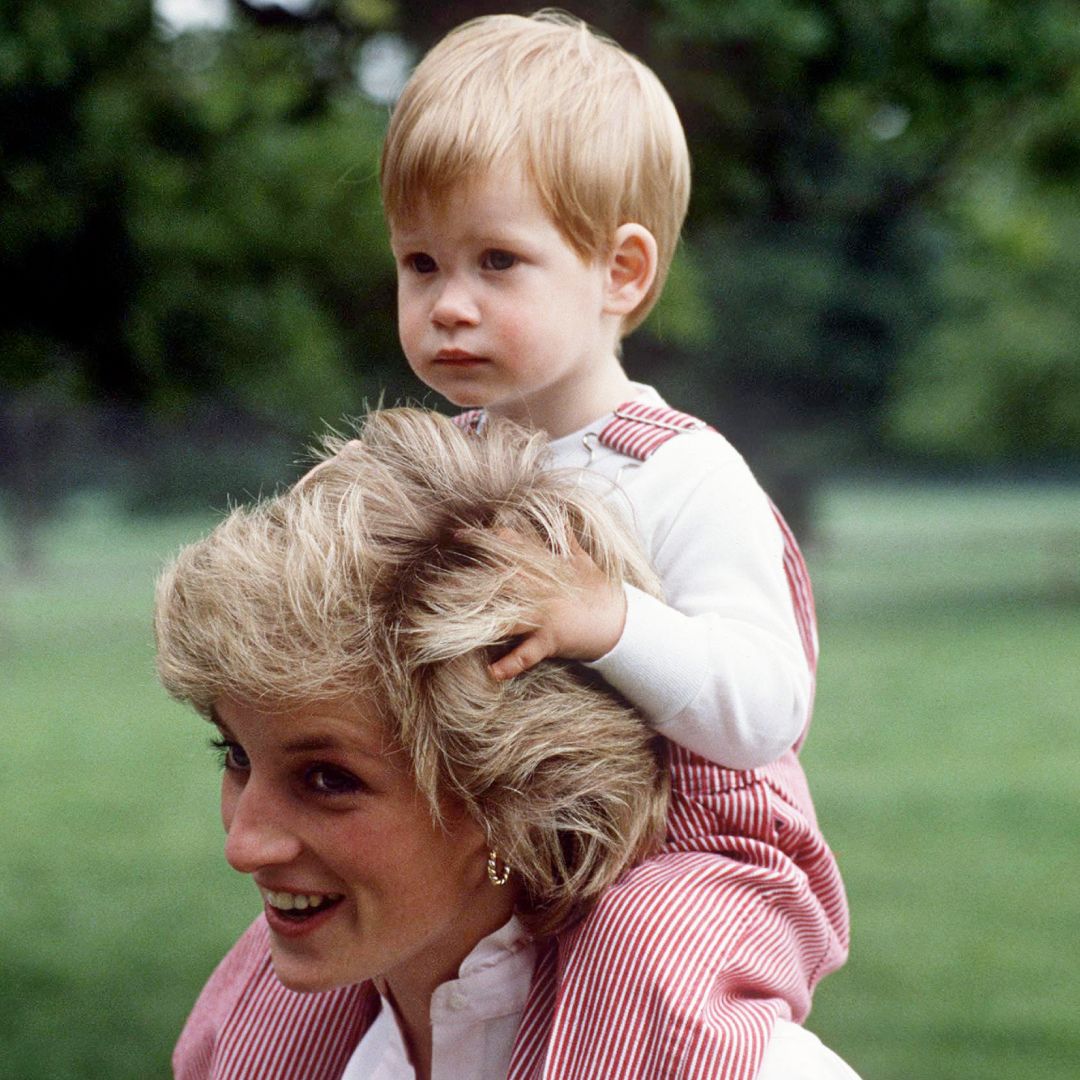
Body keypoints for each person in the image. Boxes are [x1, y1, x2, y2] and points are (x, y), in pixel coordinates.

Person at [383, 10, 849, 1079]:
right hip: (509, 843)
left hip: (699, 856)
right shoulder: (434, 462)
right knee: (292, 978)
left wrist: (610, 621)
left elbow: (766, 706)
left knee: (632, 956)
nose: (449, 305)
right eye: (420, 262)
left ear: (621, 273)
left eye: (498, 261)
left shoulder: (678, 472)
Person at [158, 408, 860, 1080]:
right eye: (237, 757)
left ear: (515, 798)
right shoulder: (273, 1044)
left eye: (327, 779)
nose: (244, 845)